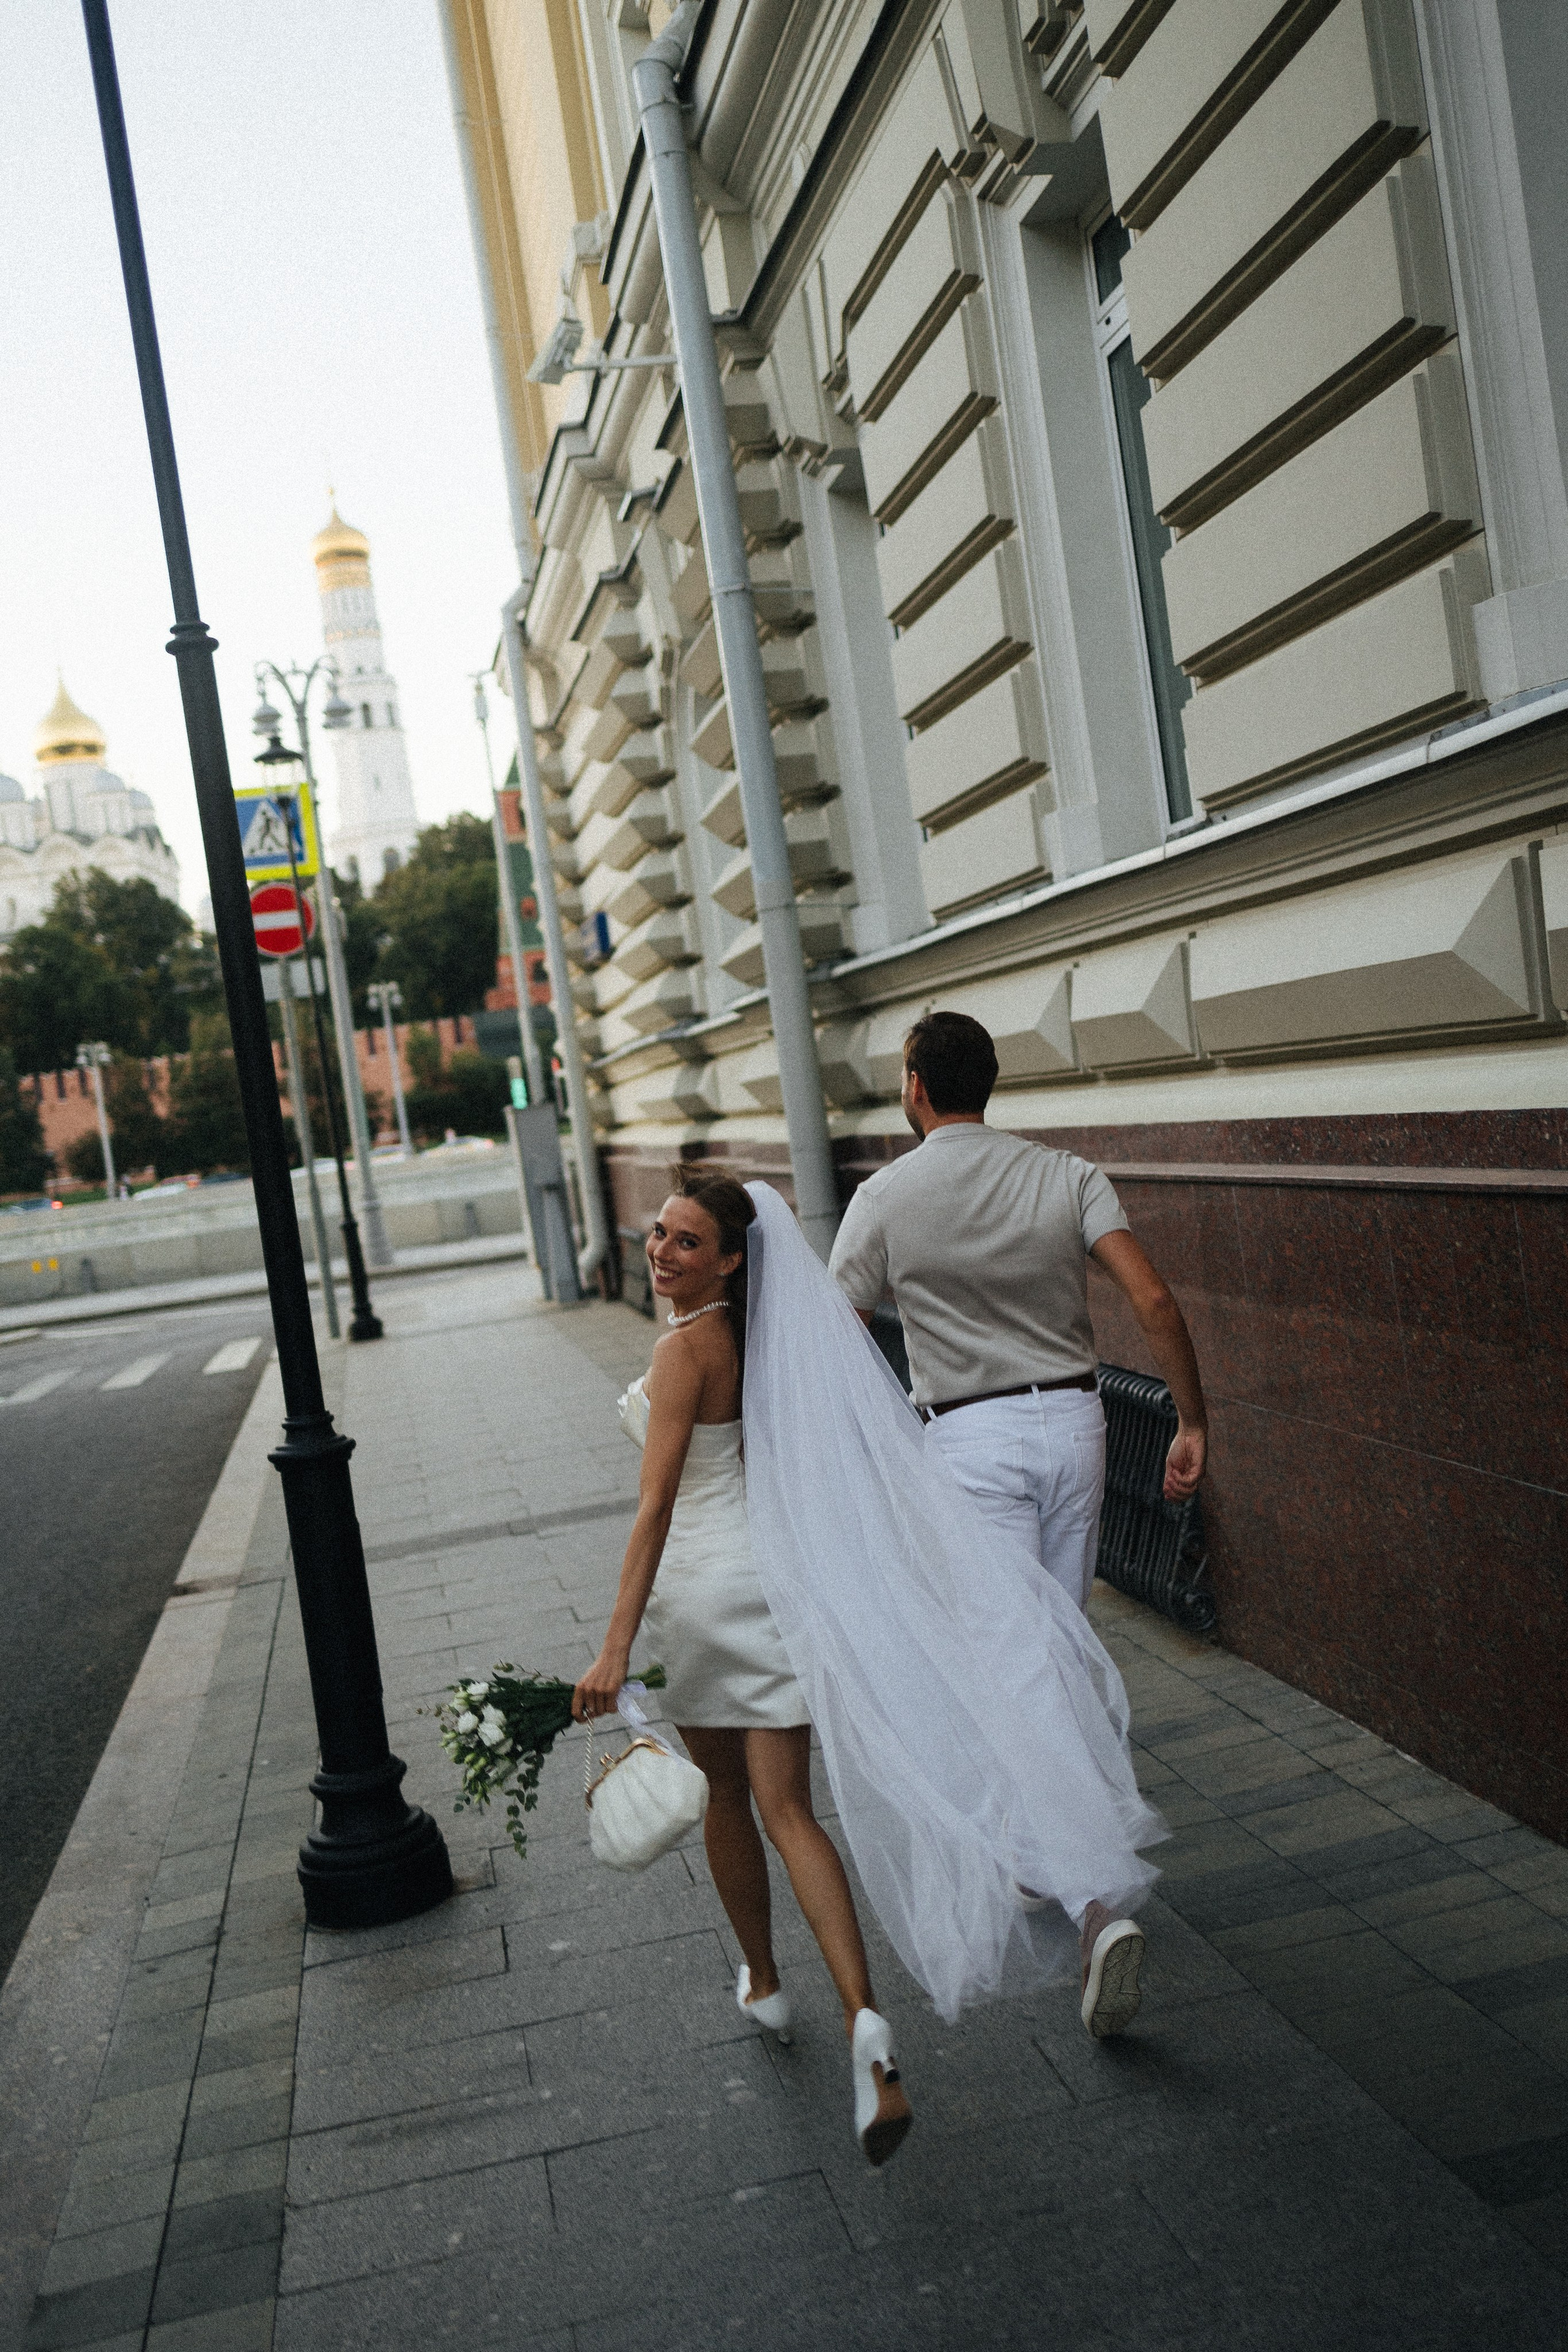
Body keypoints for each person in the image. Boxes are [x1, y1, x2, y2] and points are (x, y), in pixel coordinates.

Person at [573, 1171, 914, 2169]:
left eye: (688, 1242)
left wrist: (613, 1646)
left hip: (699, 1597)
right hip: (766, 1589)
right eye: (659, 1234)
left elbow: (655, 1510)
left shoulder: (684, 1349)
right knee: (792, 1810)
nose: (662, 1251)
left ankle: (763, 1979)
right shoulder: (757, 1338)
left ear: (730, 1257)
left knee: (727, 1791)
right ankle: (865, 2022)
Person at [829, 1009, 1208, 1619]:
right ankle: (1075, 1719)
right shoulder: (1068, 1175)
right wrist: (1190, 1423)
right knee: (1062, 1627)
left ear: (917, 1086)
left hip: (969, 1436)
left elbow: (840, 1342)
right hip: (1075, 1423)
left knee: (1001, 1638)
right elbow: (1154, 1298)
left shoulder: (880, 1197)